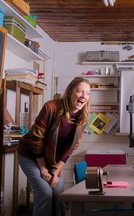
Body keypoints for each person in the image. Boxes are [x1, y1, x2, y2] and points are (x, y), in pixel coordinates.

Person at [18, 77, 91, 216]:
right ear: (70, 92)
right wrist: (43, 167)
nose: (84, 96)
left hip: (53, 159)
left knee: (58, 195)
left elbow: (72, 146)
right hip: (31, 154)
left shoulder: (83, 117)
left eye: (87, 93)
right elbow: (37, 138)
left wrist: (56, 172)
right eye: (80, 91)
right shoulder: (51, 107)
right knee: (45, 193)